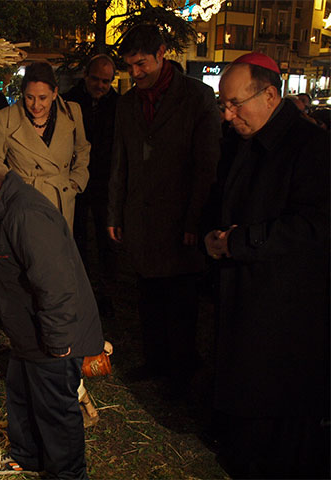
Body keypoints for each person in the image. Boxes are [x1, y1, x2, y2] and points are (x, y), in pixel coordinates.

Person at [0, 143, 104, 479]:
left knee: (56, 412)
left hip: (54, 338)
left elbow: (56, 284)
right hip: (28, 334)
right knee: (22, 395)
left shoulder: (27, 215)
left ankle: (69, 475)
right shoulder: (3, 210)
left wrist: (59, 346)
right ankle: (28, 456)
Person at [204, 52, 330, 478]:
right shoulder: (244, 141)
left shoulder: (312, 147)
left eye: (235, 103)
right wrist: (214, 233)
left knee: (276, 398)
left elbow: (314, 226)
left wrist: (239, 241)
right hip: (245, 286)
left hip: (286, 301)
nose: (228, 114)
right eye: (223, 104)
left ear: (271, 94)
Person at [107, 24, 221, 391]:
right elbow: (119, 161)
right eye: (130, 67)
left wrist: (194, 218)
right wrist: (115, 213)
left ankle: (181, 368)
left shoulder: (197, 97)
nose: (135, 74)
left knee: (181, 299)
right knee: (148, 294)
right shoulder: (127, 103)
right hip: (141, 216)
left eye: (141, 65)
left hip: (179, 218)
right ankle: (156, 361)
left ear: (161, 55)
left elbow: (206, 164)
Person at [0, 61, 91, 230]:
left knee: (57, 254)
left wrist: (76, 182)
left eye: (43, 98)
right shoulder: (5, 119)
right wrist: (12, 194)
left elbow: (82, 149)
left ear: (55, 93)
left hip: (61, 202)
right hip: (23, 206)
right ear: (22, 93)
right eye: (29, 97)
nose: (36, 105)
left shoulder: (72, 113)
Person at [62, 54, 118, 315]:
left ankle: (106, 293)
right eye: (95, 79)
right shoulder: (70, 101)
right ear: (86, 75)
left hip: (105, 181)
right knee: (77, 237)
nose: (100, 85)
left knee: (106, 241)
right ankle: (81, 291)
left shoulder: (118, 104)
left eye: (105, 81)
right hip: (77, 178)